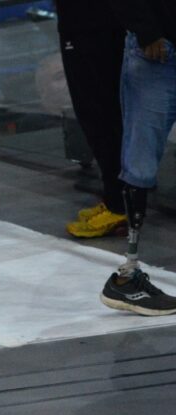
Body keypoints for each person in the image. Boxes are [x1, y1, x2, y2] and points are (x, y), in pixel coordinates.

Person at [98, 0, 176, 315]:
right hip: (158, 51)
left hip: (158, 47)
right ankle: (128, 274)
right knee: (139, 165)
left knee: (139, 162)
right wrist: (146, 30)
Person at [56, 0, 128, 238]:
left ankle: (119, 205)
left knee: (99, 114)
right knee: (102, 113)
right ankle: (117, 198)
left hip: (90, 25)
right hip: (91, 23)